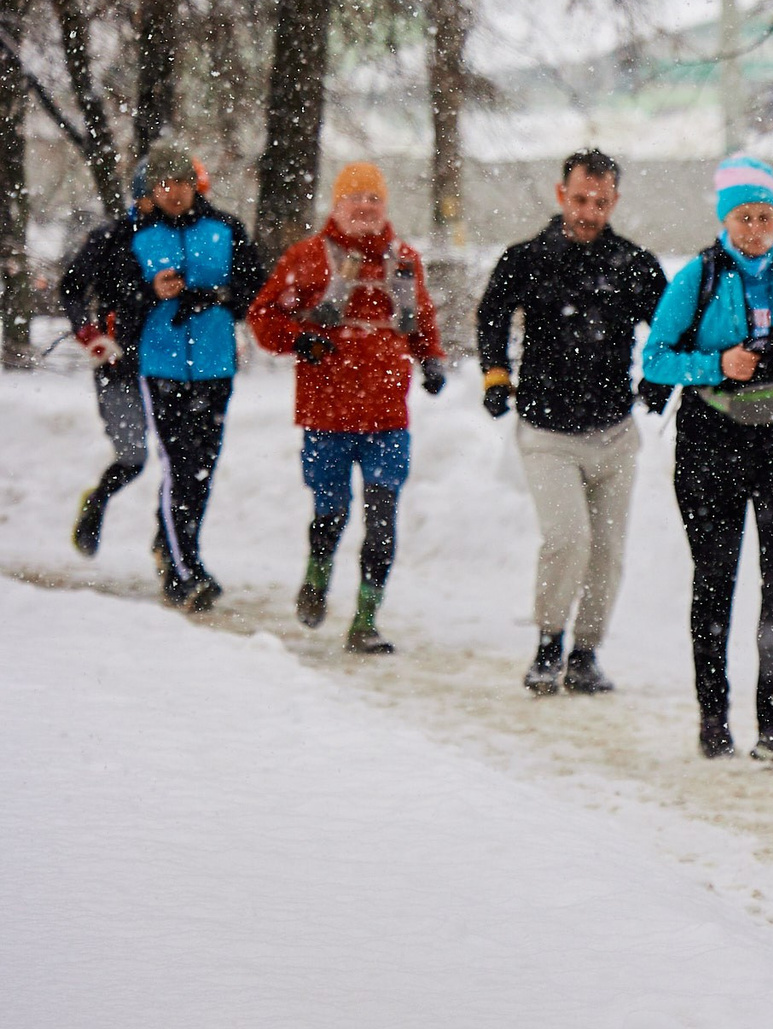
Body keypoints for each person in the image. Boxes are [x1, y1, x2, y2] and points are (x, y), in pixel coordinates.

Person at [641, 156, 773, 764]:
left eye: (766, 215)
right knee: (716, 579)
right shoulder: (697, 276)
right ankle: (713, 716)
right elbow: (654, 359)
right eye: (744, 217)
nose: (756, 228)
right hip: (710, 443)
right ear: (725, 219)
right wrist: (714, 364)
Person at [476, 149, 669, 694]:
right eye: (580, 199)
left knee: (607, 552)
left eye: (601, 202)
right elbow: (491, 316)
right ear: (561, 194)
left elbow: (669, 326)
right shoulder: (527, 259)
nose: (589, 211)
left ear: (615, 201)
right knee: (567, 540)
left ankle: (585, 655)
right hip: (547, 431)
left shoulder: (632, 264)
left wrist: (659, 379)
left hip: (612, 431)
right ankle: (547, 645)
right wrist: (495, 375)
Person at [247, 162, 446, 654]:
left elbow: (419, 319)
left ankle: (365, 620)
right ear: (336, 206)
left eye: (373, 200)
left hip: (387, 416)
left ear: (385, 207)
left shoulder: (404, 261)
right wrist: (301, 341)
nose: (364, 208)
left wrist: (432, 359)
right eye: (353, 199)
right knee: (330, 514)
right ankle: (317, 576)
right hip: (326, 415)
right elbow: (262, 316)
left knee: (381, 521)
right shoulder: (307, 258)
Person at [123, 141, 266, 610]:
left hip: (214, 365)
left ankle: (172, 546)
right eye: (164, 184)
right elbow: (119, 303)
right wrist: (150, 291)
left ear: (195, 184)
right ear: (152, 189)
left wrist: (217, 295)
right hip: (161, 366)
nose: (174, 192)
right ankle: (186, 570)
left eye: (182, 182)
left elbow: (254, 291)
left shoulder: (225, 229)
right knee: (179, 464)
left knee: (201, 469)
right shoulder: (137, 235)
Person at [61, 179, 153, 558]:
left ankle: (170, 546)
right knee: (133, 457)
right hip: (116, 364)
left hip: (172, 370)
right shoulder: (110, 238)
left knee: (181, 466)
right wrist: (88, 332)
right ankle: (96, 502)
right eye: (158, 189)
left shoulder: (188, 241)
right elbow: (71, 287)